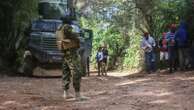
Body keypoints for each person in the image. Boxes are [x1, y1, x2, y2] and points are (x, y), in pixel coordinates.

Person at [56, 24, 87, 101]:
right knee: (77, 73)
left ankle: (66, 93)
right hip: (72, 54)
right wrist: (76, 37)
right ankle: (77, 95)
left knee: (66, 73)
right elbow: (76, 39)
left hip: (66, 55)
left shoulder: (60, 34)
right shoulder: (69, 32)